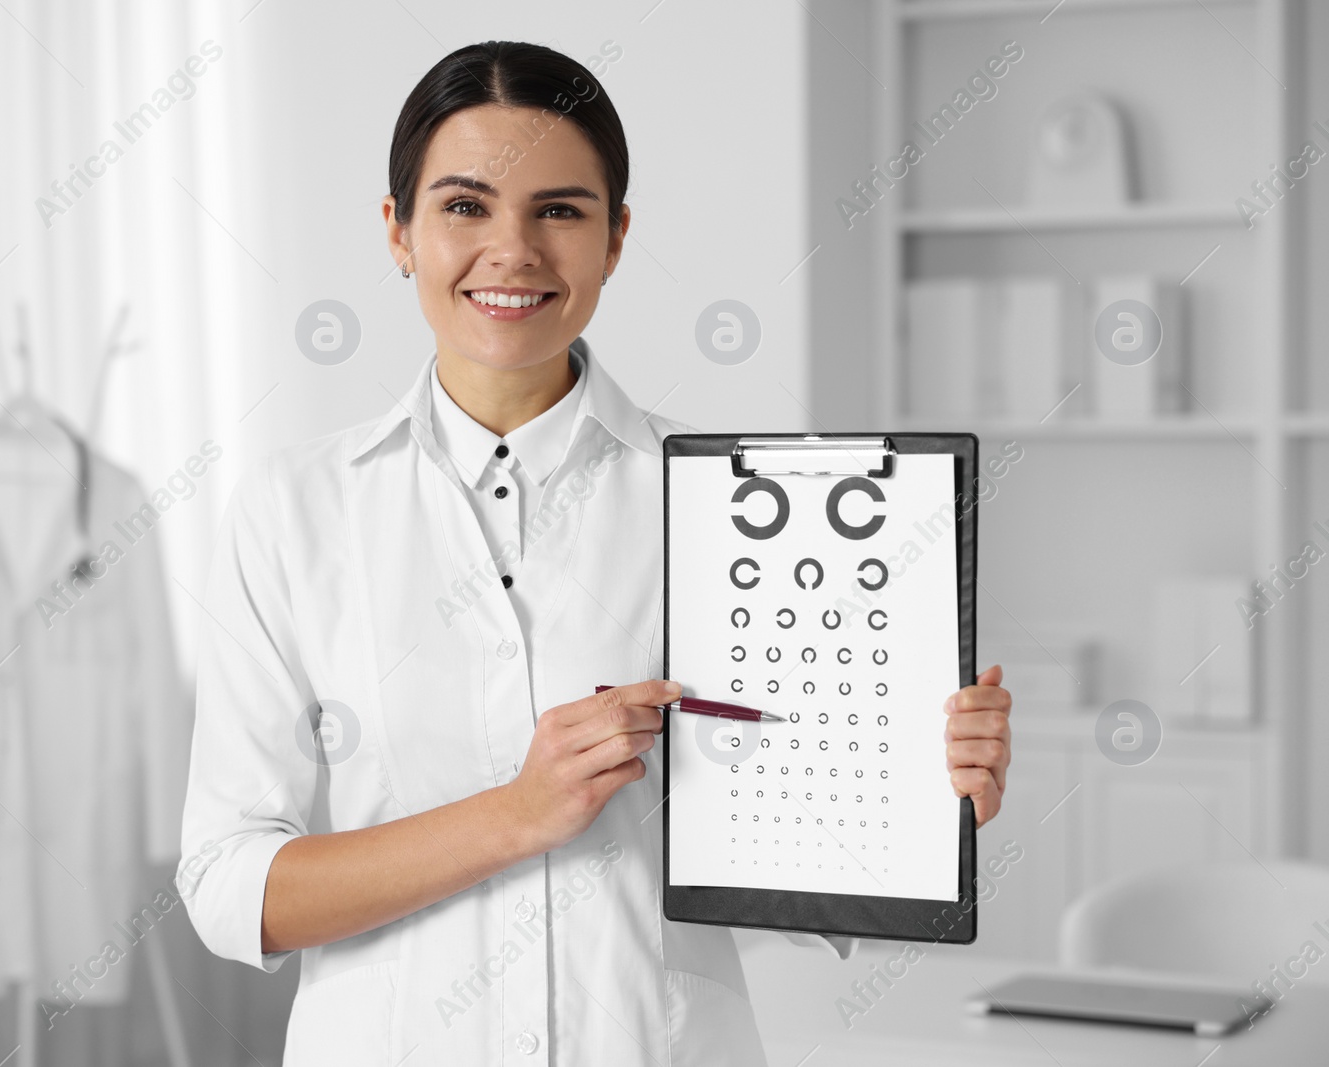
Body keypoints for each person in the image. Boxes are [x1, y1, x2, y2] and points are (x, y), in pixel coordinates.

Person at [179, 39, 1013, 1066]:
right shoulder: (292, 509)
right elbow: (228, 885)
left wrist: (917, 796)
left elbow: (800, 858)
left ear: (616, 238)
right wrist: (515, 815)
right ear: (397, 232)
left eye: (559, 210)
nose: (513, 250)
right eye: (464, 206)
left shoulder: (737, 505)